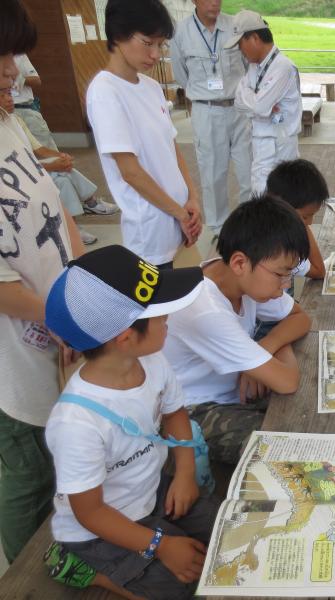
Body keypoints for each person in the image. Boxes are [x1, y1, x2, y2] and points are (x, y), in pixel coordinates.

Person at [44, 244, 220, 598]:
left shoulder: (153, 361)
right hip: (96, 531)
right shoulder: (76, 422)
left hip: (149, 491)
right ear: (125, 338)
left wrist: (184, 473)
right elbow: (91, 513)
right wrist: (161, 545)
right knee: (180, 587)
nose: (169, 319)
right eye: (161, 315)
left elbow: (174, 413)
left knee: (228, 527)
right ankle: (86, 570)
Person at [0, 0, 85, 564]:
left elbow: (55, 209)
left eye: (11, 54)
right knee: (27, 476)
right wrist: (63, 321)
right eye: (1, 57)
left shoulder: (7, 120)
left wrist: (83, 294)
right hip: (17, 362)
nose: (13, 70)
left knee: (67, 458)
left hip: (61, 329)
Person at [162, 195, 311, 465]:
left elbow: (301, 318)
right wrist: (269, 352)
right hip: (190, 411)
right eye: (280, 274)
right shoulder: (206, 309)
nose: (285, 285)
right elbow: (287, 381)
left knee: (312, 403)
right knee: (284, 448)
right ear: (240, 263)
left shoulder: (239, 279)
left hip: (235, 391)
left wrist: (267, 345)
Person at [86, 0, 202, 268]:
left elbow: (171, 150)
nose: (156, 54)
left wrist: (191, 198)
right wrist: (179, 213)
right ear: (117, 35)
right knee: (157, 305)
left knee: (186, 298)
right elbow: (131, 172)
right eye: (147, 42)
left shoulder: (151, 87)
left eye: (160, 44)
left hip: (179, 217)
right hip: (151, 229)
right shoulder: (105, 92)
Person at [171, 0, 252, 236]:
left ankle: (250, 225)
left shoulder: (234, 26)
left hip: (238, 109)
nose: (215, 2)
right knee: (212, 174)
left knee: (248, 172)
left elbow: (248, 65)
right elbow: (180, 75)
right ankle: (219, 229)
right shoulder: (181, 32)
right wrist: (205, 95)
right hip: (206, 111)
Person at [1, 92, 119, 246]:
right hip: (16, 179)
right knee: (61, 179)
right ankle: (77, 222)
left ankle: (86, 208)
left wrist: (61, 156)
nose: (10, 98)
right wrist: (51, 165)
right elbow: (15, 166)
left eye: (9, 93)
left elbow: (39, 150)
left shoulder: (16, 120)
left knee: (63, 168)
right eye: (2, 95)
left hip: (31, 168)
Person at [226, 10, 301, 193]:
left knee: (280, 200)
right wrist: (257, 101)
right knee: (261, 197)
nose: (240, 51)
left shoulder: (283, 67)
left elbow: (259, 106)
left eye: (240, 44)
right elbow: (239, 101)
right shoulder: (254, 66)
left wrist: (254, 100)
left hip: (279, 147)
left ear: (254, 38)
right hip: (260, 144)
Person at [266, 159, 327, 280]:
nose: (310, 222)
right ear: (281, 206)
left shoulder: (273, 222)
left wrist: (301, 220)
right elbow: (319, 270)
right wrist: (302, 225)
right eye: (305, 216)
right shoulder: (278, 245)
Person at [11, 53, 56, 150]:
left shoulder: (18, 55)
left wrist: (17, 79)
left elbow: (36, 81)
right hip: (4, 114)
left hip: (26, 109)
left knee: (47, 150)